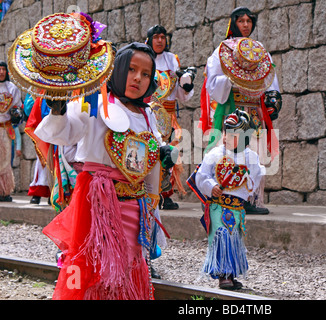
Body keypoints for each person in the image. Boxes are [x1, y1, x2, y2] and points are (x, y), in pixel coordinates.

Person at [9, 12, 174, 300]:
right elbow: (66, 134)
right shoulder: (93, 102)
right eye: (133, 69)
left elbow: (151, 166)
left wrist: (156, 191)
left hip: (136, 205)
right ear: (119, 69)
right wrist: (58, 109)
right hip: (98, 201)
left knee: (130, 265)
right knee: (94, 267)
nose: (138, 78)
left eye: (146, 74)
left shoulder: (148, 115)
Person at [200, 7, 282, 215]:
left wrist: (273, 96)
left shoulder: (259, 48)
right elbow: (213, 81)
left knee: (255, 154)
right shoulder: (223, 49)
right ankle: (229, 194)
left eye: (248, 21)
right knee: (230, 153)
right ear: (233, 23)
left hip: (255, 108)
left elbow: (269, 76)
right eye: (241, 21)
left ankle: (253, 199)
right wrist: (232, 78)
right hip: (232, 107)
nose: (245, 25)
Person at [192, 109, 264, 290]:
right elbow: (201, 176)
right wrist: (211, 186)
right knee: (221, 237)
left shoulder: (251, 158)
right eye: (226, 133)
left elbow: (254, 179)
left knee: (234, 239)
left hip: (237, 208)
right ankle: (223, 275)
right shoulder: (214, 154)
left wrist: (246, 182)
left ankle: (231, 273)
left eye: (234, 134)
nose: (226, 137)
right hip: (218, 205)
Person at [144, 24, 196, 210]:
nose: (159, 40)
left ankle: (166, 193)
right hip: (149, 114)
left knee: (170, 154)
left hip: (170, 115)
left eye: (162, 37)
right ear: (149, 39)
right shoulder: (144, 58)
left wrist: (187, 86)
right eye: (156, 37)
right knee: (150, 151)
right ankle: (149, 190)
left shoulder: (173, 60)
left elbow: (181, 95)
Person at [0, 60, 21, 202]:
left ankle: (4, 191)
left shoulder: (12, 88)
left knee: (6, 160)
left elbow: (17, 108)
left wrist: (16, 114)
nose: (1, 72)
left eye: (3, 69)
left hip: (5, 129)